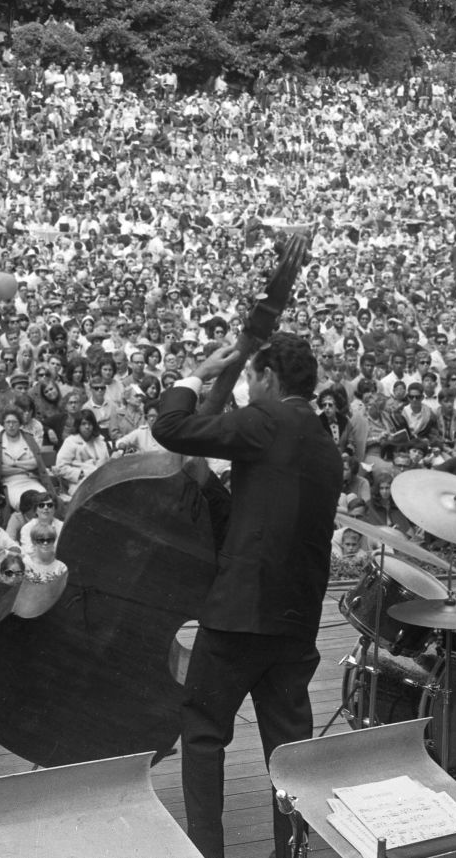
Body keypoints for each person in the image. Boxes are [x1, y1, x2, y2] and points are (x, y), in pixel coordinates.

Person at [151, 333, 340, 858]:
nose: (247, 389)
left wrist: (200, 373)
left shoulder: (266, 420)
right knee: (290, 751)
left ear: (271, 379)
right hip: (297, 620)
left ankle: (207, 850)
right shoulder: (325, 443)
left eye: (251, 378)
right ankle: (291, 852)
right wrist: (210, 485)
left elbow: (169, 427)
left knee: (204, 731)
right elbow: (260, 524)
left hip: (239, 616)